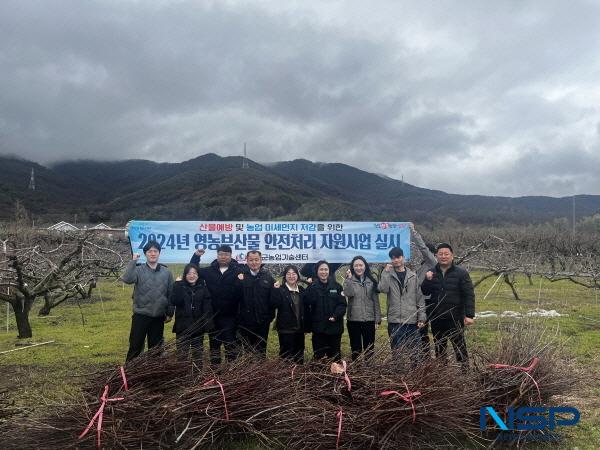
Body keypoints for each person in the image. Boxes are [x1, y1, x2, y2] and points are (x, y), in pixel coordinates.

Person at [420, 243, 475, 366]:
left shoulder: (461, 273)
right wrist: (427, 280)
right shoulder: (431, 272)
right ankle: (443, 375)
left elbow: (469, 294)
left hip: (455, 317)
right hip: (437, 317)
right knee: (439, 348)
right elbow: (425, 291)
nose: (443, 256)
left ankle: (465, 373)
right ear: (436, 256)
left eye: (446, 254)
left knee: (460, 347)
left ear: (452, 256)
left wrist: (470, 315)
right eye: (440, 254)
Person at [122, 240, 174, 362]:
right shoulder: (139, 270)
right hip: (141, 315)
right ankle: (130, 373)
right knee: (135, 346)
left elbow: (171, 293)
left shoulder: (166, 272)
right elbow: (127, 279)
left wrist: (170, 312)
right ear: (145, 254)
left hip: (158, 316)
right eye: (150, 251)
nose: (153, 253)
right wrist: (133, 261)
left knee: (156, 349)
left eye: (155, 251)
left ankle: (152, 374)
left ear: (159, 253)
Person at [190, 245, 242, 364]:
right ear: (217, 255)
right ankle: (215, 372)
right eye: (221, 254)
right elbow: (193, 269)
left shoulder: (238, 270)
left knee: (231, 347)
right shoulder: (209, 271)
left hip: (231, 316)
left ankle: (232, 374)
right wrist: (196, 256)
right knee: (214, 346)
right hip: (212, 316)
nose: (223, 257)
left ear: (230, 256)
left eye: (226, 254)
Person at [378, 247, 426, 354]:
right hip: (395, 321)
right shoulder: (388, 275)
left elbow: (420, 298)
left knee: (415, 354)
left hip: (411, 321)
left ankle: (415, 371)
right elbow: (383, 289)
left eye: (398, 257)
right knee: (397, 354)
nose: (396, 260)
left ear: (403, 258)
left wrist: (422, 318)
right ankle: (399, 371)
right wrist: (385, 272)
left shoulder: (413, 276)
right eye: (393, 258)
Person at [169, 263, 214, 364]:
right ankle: (183, 377)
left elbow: (207, 308)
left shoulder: (203, 288)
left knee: (197, 355)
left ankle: (197, 377)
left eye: (194, 273)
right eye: (189, 273)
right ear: (185, 275)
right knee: (182, 355)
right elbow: (175, 301)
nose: (192, 276)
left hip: (198, 328)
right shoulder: (180, 286)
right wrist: (177, 285)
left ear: (198, 275)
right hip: (182, 328)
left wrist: (207, 325)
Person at [304, 260, 347, 361]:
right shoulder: (313, 286)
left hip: (334, 328)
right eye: (321, 269)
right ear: (317, 272)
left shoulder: (337, 286)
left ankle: (335, 376)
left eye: (326, 269)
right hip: (319, 329)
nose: (324, 272)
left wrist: (335, 315)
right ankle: (321, 375)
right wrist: (310, 287)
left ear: (329, 271)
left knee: (335, 357)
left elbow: (342, 304)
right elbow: (307, 302)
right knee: (319, 358)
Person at [237, 250, 277, 356]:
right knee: (248, 350)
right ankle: (248, 372)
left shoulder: (268, 277)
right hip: (246, 321)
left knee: (261, 349)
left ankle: (261, 371)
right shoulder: (241, 277)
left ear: (261, 260)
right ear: (246, 261)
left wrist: (270, 317)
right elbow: (236, 298)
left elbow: (273, 300)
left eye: (256, 260)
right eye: (251, 260)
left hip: (263, 321)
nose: (254, 262)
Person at [343, 256, 381, 360]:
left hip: (369, 319)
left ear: (365, 266)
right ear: (352, 267)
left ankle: (368, 370)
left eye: (361, 265)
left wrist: (377, 320)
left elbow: (376, 302)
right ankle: (357, 370)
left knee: (369, 348)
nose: (358, 268)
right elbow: (348, 293)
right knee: (355, 348)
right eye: (356, 265)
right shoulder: (349, 280)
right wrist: (349, 279)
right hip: (353, 320)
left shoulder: (371, 281)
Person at [410, 223, 438, 357]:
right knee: (420, 330)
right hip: (420, 302)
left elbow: (422, 247)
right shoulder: (423, 265)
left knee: (424, 329)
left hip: (428, 302)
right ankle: (424, 355)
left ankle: (428, 356)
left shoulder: (432, 262)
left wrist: (413, 232)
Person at [270, 265, 307, 363]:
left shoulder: (302, 290)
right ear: (284, 276)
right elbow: (274, 303)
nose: (291, 276)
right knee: (286, 356)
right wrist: (275, 290)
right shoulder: (281, 289)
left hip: (299, 328)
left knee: (299, 355)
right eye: (288, 274)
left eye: (294, 274)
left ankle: (298, 375)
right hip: (285, 329)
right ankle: (286, 377)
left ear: (297, 276)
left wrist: (311, 284)